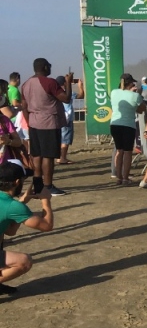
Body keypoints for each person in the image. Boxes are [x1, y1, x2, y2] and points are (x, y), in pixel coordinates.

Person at [20, 58, 72, 196]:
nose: (50, 68)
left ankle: (38, 186)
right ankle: (48, 186)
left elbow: (24, 107)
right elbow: (66, 98)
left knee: (36, 155)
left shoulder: (26, 84)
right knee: (48, 156)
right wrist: (68, 83)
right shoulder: (50, 82)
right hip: (48, 122)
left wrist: (29, 122)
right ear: (44, 67)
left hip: (34, 122)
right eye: (49, 66)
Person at [0, 162, 53, 294]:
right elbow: (47, 226)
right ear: (17, 182)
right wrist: (46, 201)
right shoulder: (12, 206)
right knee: (24, 261)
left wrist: (21, 203)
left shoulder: (11, 205)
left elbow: (10, 231)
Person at [110, 74, 147, 186]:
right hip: (128, 126)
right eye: (133, 83)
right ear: (130, 83)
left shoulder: (114, 92)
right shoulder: (134, 96)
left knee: (119, 151)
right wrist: (138, 94)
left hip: (115, 124)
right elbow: (141, 110)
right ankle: (125, 178)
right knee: (127, 152)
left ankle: (118, 177)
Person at [56, 75, 84, 165]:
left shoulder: (56, 93)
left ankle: (59, 157)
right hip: (67, 118)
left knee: (60, 138)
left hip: (58, 118)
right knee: (66, 139)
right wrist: (80, 87)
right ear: (65, 83)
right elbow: (81, 96)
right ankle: (63, 158)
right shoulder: (68, 93)